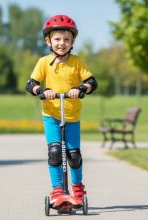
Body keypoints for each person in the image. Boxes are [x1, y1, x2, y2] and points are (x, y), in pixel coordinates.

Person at [26, 14, 98, 204]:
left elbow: (92, 81)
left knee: (74, 155)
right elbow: (30, 83)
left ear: (73, 41)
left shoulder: (77, 62)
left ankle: (77, 189)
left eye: (67, 39)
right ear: (48, 40)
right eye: (57, 39)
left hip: (72, 116)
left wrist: (81, 88)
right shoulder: (43, 63)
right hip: (51, 115)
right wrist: (41, 90)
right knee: (55, 152)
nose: (62, 43)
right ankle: (58, 191)